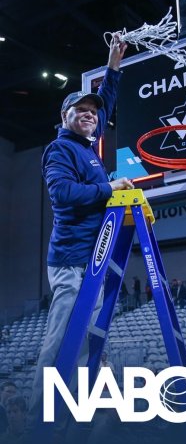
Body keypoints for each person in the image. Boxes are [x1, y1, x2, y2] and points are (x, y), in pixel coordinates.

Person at [30, 33, 132, 427]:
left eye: (93, 112)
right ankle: (37, 420)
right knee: (60, 342)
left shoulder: (88, 143)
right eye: (81, 110)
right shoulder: (61, 149)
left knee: (86, 341)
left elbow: (106, 99)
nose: (91, 115)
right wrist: (109, 188)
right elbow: (62, 193)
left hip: (92, 260)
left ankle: (71, 419)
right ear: (65, 116)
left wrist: (113, 63)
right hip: (72, 260)